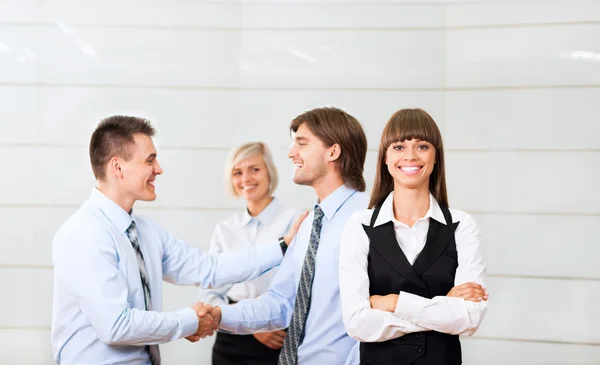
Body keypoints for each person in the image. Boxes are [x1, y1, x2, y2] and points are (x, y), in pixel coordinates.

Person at [51, 116, 304, 365]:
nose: (158, 169)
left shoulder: (146, 232)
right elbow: (116, 326)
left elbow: (209, 268)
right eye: (150, 160)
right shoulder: (84, 234)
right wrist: (191, 320)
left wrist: (282, 246)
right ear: (118, 167)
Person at [198, 107, 369, 365]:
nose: (291, 153)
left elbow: (380, 311)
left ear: (333, 152)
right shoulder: (309, 222)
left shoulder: (371, 217)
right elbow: (281, 302)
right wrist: (219, 315)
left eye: (301, 144)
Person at [339, 108, 489, 365]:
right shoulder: (359, 225)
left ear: (435, 157)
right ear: (385, 158)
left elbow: (469, 318)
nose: (410, 156)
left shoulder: (462, 225)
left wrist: (393, 302)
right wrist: (441, 309)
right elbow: (358, 324)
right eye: (398, 147)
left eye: (422, 146)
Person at [197, 141, 298, 365]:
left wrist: (265, 321)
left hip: (279, 338)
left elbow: (301, 288)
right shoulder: (225, 229)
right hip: (232, 340)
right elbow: (209, 293)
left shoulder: (294, 222)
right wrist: (251, 325)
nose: (246, 179)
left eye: (255, 169)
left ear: (269, 172)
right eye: (237, 172)